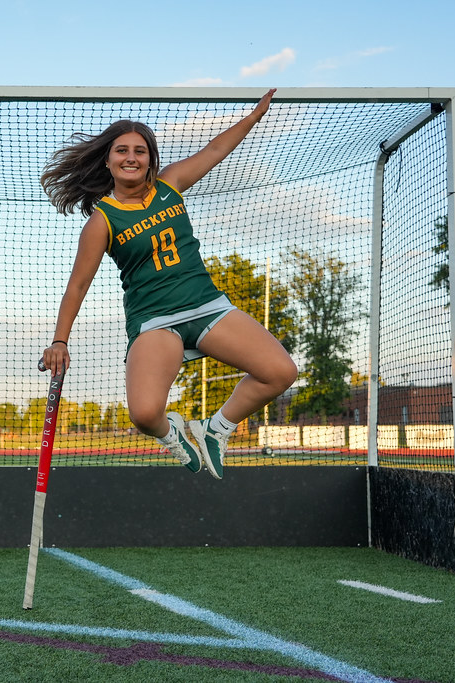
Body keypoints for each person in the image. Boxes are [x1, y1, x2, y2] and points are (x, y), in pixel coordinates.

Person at [39, 89, 297, 480]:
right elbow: (77, 287)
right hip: (155, 321)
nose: (131, 157)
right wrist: (60, 341)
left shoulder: (170, 185)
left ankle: (217, 428)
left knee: (280, 372)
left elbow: (213, 151)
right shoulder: (101, 221)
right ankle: (171, 433)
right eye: (122, 150)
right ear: (108, 161)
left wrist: (253, 117)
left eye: (139, 151)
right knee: (144, 414)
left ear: (150, 159)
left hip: (208, 306)